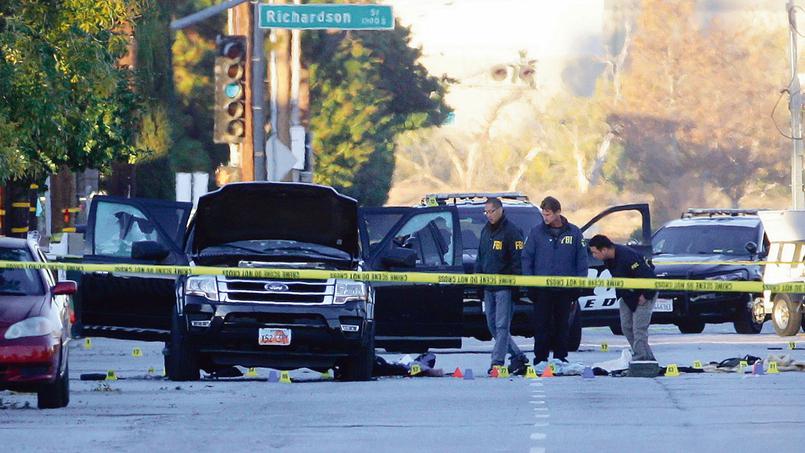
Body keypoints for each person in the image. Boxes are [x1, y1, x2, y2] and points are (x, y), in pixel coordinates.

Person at [522, 196, 587, 366]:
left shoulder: (574, 232)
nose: (546, 218)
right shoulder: (536, 232)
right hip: (542, 289)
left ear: (558, 212)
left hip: (565, 289)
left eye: (548, 214)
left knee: (562, 325)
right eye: (543, 215)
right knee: (541, 325)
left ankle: (560, 357)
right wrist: (529, 284)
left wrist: (579, 285)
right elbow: (527, 259)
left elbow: (581, 260)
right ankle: (540, 358)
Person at [475, 197, 529, 375]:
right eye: (486, 212)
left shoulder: (512, 231)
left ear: (500, 210)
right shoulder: (485, 231)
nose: (488, 215)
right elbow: (480, 258)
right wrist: (477, 281)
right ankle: (518, 355)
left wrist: (516, 286)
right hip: (488, 286)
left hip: (505, 287)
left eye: (491, 211)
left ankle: (497, 361)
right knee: (492, 325)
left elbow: (517, 261)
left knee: (501, 326)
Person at [588, 234, 658, 361]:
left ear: (604, 249)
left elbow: (648, 276)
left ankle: (642, 358)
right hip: (627, 294)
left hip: (645, 293)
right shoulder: (608, 259)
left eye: (595, 252)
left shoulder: (628, 256)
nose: (594, 256)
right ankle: (646, 357)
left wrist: (645, 295)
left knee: (639, 329)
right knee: (626, 327)